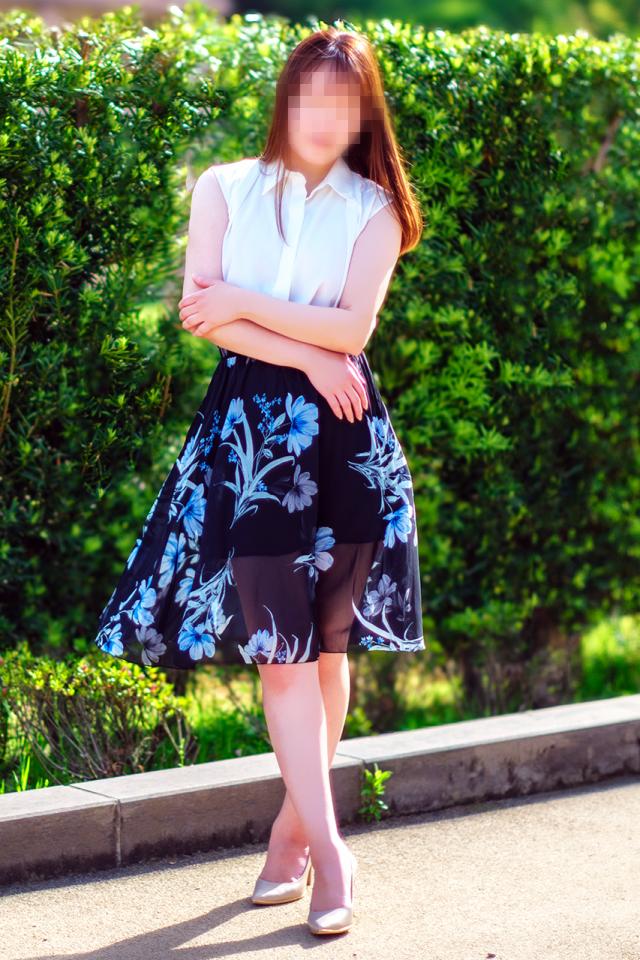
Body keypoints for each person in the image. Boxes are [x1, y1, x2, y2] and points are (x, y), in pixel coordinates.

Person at [93, 25, 425, 935]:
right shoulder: (226, 187)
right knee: (281, 653)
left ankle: (291, 837)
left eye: (345, 103)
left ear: (363, 116)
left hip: (345, 441)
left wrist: (251, 307)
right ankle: (334, 857)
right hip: (252, 447)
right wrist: (301, 352)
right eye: (311, 97)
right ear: (287, 98)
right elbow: (202, 313)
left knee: (326, 651)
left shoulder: (376, 209)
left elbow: (352, 331)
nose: (324, 117)